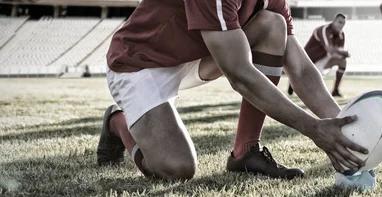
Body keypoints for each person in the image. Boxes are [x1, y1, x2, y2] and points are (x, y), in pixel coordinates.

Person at [97, 0, 368, 181]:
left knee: (273, 24)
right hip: (139, 63)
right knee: (177, 169)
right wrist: (314, 129)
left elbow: (301, 70)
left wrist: (345, 128)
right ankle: (118, 123)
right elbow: (240, 75)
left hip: (192, 57)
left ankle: (246, 151)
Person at [287, 14, 350, 97]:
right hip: (309, 60)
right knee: (306, 84)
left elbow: (338, 52)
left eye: (343, 23)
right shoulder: (324, 30)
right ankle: (294, 82)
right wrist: (346, 53)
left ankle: (335, 90)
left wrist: (344, 54)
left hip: (323, 59)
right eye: (339, 22)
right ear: (334, 21)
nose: (341, 25)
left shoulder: (341, 35)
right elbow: (330, 49)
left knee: (343, 61)